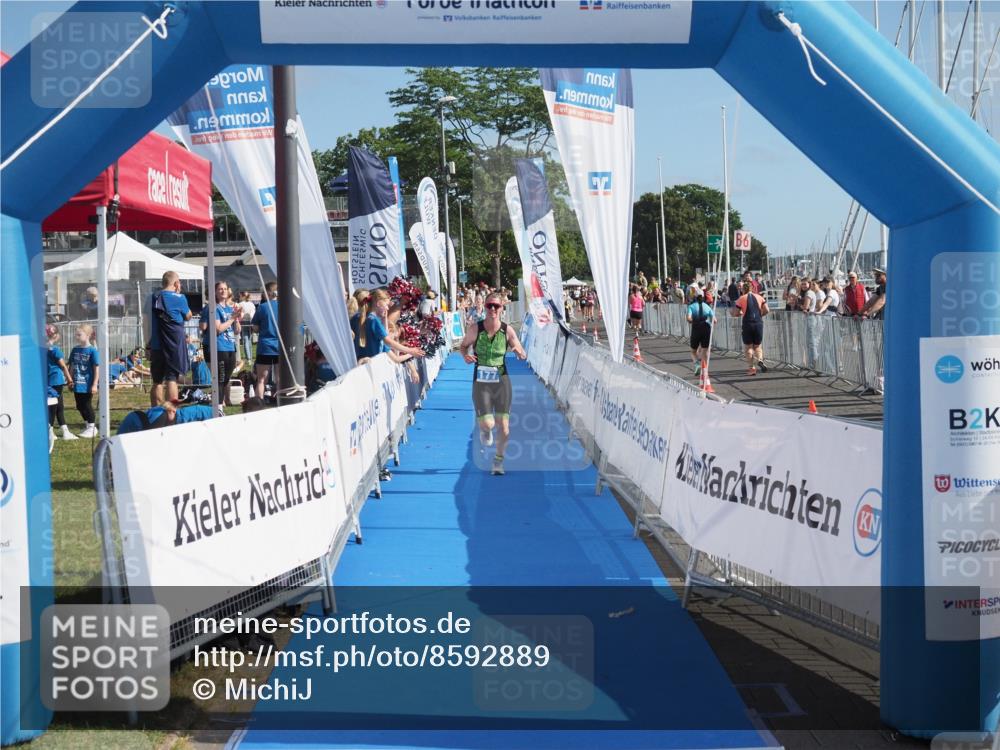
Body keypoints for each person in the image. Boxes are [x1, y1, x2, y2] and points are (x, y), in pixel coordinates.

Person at [459, 292, 527, 476]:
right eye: (490, 306)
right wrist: (465, 355)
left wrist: (519, 352)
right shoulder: (476, 328)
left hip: (502, 381)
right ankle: (485, 430)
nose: (493, 309)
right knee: (488, 424)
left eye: (496, 306)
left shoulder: (508, 330)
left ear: (502, 308)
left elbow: (519, 347)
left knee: (504, 426)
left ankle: (498, 461)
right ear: (485, 307)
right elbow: (463, 345)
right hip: (481, 383)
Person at [147, 270, 192, 406]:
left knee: (157, 381)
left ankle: (155, 413)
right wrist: (178, 294)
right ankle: (171, 413)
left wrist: (147, 344)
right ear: (176, 283)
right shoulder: (180, 298)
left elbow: (146, 322)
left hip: (156, 345)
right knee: (172, 379)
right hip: (173, 346)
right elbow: (188, 315)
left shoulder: (152, 297)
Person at [201, 281, 241, 410]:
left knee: (226, 378)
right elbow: (218, 329)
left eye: (225, 289)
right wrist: (231, 319)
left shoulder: (230, 308)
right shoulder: (214, 308)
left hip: (230, 346)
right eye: (220, 289)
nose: (223, 291)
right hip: (219, 347)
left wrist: (237, 318)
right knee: (219, 378)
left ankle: (222, 402)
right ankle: (218, 405)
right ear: (215, 292)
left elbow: (237, 330)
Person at [46, 325, 77, 442]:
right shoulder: (55, 350)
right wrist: (70, 379)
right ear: (56, 335)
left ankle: (61, 430)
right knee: (57, 406)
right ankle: (56, 431)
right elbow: (63, 366)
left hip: (47, 380)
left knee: (55, 406)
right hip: (56, 380)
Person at [731, 281, 770, 375]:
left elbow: (736, 313)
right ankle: (760, 360)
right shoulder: (760, 297)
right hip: (758, 323)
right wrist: (760, 315)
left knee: (748, 347)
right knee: (757, 346)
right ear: (752, 288)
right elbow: (767, 310)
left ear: (743, 289)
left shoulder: (741, 298)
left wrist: (737, 313)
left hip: (747, 323)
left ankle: (752, 368)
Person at [68, 324, 100, 437]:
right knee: (79, 405)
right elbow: (71, 365)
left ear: (87, 335)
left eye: (79, 334)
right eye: (76, 334)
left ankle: (92, 427)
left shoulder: (92, 351)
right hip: (77, 383)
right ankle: (88, 425)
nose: (77, 336)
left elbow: (96, 368)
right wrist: (70, 380)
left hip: (87, 384)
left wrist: (95, 384)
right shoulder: (75, 349)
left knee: (86, 404)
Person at [251, 281, 280, 400]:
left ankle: (259, 405)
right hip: (280, 346)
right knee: (280, 380)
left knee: (261, 380)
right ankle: (281, 403)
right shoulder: (285, 305)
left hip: (265, 347)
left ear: (269, 292)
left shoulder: (262, 307)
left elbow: (255, 328)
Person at [686, 290, 714, 378]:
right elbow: (715, 320)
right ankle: (705, 370)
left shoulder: (691, 306)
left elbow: (689, 318)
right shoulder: (707, 306)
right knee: (705, 350)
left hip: (696, 328)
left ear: (694, 297)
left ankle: (697, 364)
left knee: (693, 351)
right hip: (706, 328)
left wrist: (693, 320)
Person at [237, 291, 256, 363]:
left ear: (243, 296)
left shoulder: (240, 304)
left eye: (240, 296)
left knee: (245, 340)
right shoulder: (251, 304)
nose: (239, 297)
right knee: (249, 340)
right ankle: (250, 357)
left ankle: (248, 358)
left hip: (244, 321)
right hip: (251, 322)